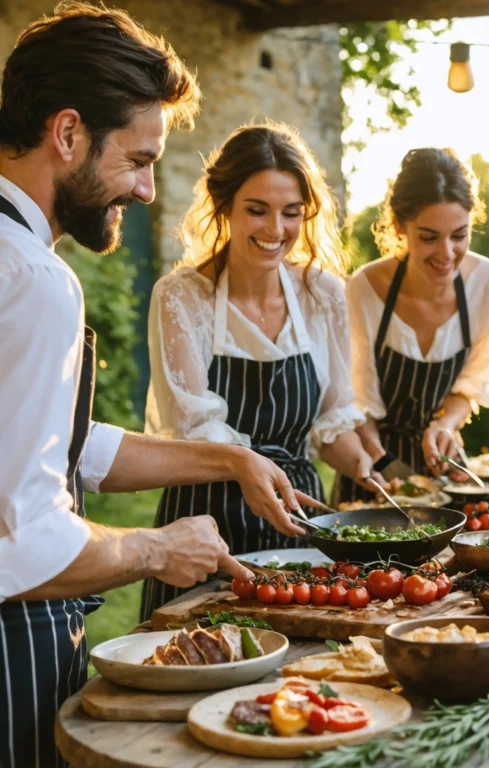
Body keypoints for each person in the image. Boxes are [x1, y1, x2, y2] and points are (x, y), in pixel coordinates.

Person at [0, 6, 309, 766]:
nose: (145, 190)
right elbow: (22, 542)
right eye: (138, 159)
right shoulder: (35, 281)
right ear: (67, 133)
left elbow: (57, 442)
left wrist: (229, 461)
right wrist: (156, 547)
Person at [140, 123, 378, 618]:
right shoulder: (182, 296)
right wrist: (246, 466)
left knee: (307, 677)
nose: (275, 230)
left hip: (298, 522)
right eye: (257, 210)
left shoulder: (323, 294)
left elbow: (332, 419)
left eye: (291, 213)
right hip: (207, 525)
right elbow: (193, 429)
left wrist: (367, 471)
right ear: (224, 205)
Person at [338, 147, 489, 502]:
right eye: (428, 237)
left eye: (459, 235)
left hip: (445, 466)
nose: (447, 252)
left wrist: (445, 424)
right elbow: (354, 399)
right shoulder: (363, 289)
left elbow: (474, 383)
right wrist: (383, 461)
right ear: (398, 226)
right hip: (370, 465)